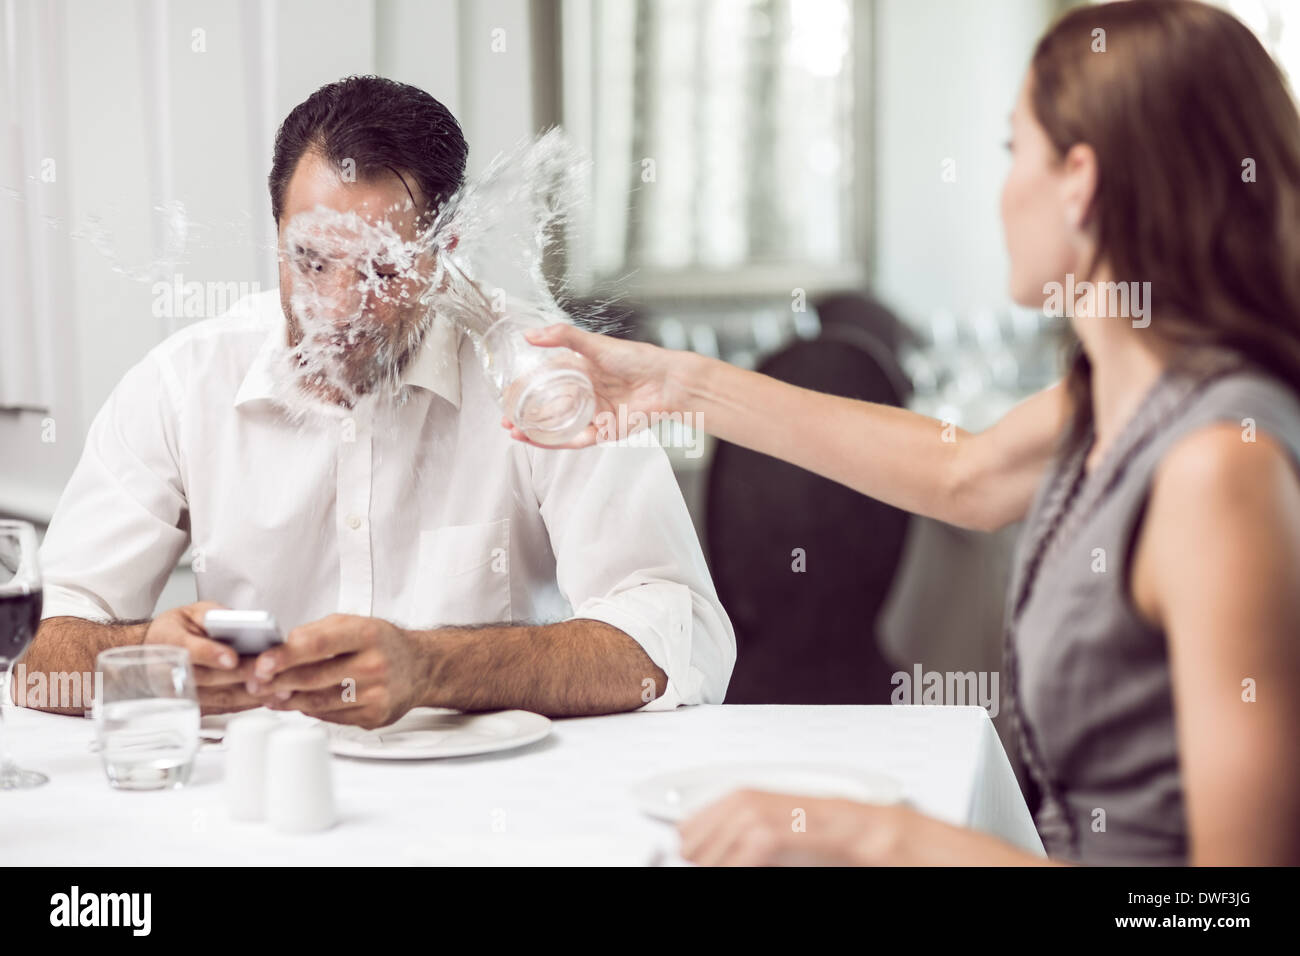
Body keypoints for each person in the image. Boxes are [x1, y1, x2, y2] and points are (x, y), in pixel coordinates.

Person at [506, 0, 1300, 865]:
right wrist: (680, 382)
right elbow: (965, 477)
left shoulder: (1218, 469)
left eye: (1012, 152)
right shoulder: (1119, 396)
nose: (1001, 189)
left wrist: (888, 838)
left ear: (1080, 180)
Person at [20, 76, 735, 726]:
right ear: (276, 234)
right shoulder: (182, 385)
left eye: (381, 270)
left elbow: (681, 636)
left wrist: (435, 668)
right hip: (263, 808)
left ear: (445, 248)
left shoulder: (548, 376)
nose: (338, 308)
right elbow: (38, 657)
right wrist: (148, 659)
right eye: (311, 260)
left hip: (501, 804)